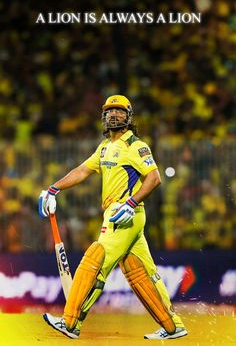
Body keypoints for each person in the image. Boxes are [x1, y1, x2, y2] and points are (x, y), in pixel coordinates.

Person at [38, 95, 187, 340]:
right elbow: (83, 170)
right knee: (141, 273)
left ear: (129, 116)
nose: (114, 115)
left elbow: (154, 178)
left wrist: (131, 202)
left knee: (95, 260)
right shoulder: (105, 147)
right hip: (124, 215)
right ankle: (173, 326)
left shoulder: (136, 146)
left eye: (119, 111)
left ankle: (71, 322)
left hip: (124, 215)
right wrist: (54, 188)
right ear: (104, 117)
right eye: (110, 111)